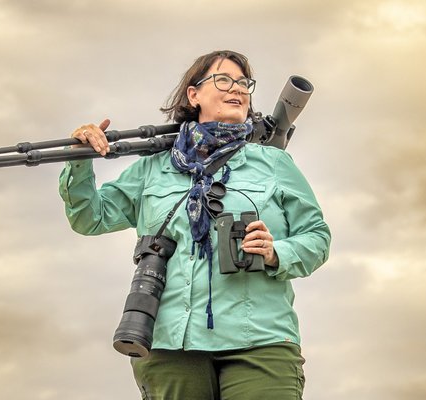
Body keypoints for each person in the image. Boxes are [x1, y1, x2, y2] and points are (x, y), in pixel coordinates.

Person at [59, 50, 331, 400]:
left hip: (260, 341)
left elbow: (318, 236)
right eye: (224, 79)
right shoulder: (152, 168)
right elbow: (89, 217)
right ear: (193, 94)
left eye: (244, 83)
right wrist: (78, 158)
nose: (238, 89)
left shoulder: (275, 163)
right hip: (170, 344)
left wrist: (277, 251)